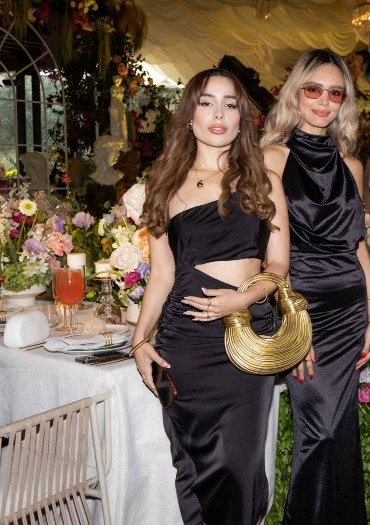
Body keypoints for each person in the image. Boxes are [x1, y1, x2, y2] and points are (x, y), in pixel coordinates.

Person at [130, 68, 290, 525]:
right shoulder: (165, 182)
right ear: (190, 115)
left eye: (230, 104)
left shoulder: (264, 179)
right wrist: (139, 341)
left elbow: (278, 265)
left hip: (244, 344)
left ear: (242, 120)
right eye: (206, 102)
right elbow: (163, 274)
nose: (218, 113)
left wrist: (244, 298)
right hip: (185, 343)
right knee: (195, 468)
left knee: (237, 468)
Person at [261, 49, 370, 525]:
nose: (324, 101)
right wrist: (293, 323)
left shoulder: (352, 166)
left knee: (340, 431)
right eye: (313, 89)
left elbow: (357, 245)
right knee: (320, 433)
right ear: (296, 92)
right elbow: (270, 251)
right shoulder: (272, 157)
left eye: (335, 93)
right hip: (304, 306)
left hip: (349, 309)